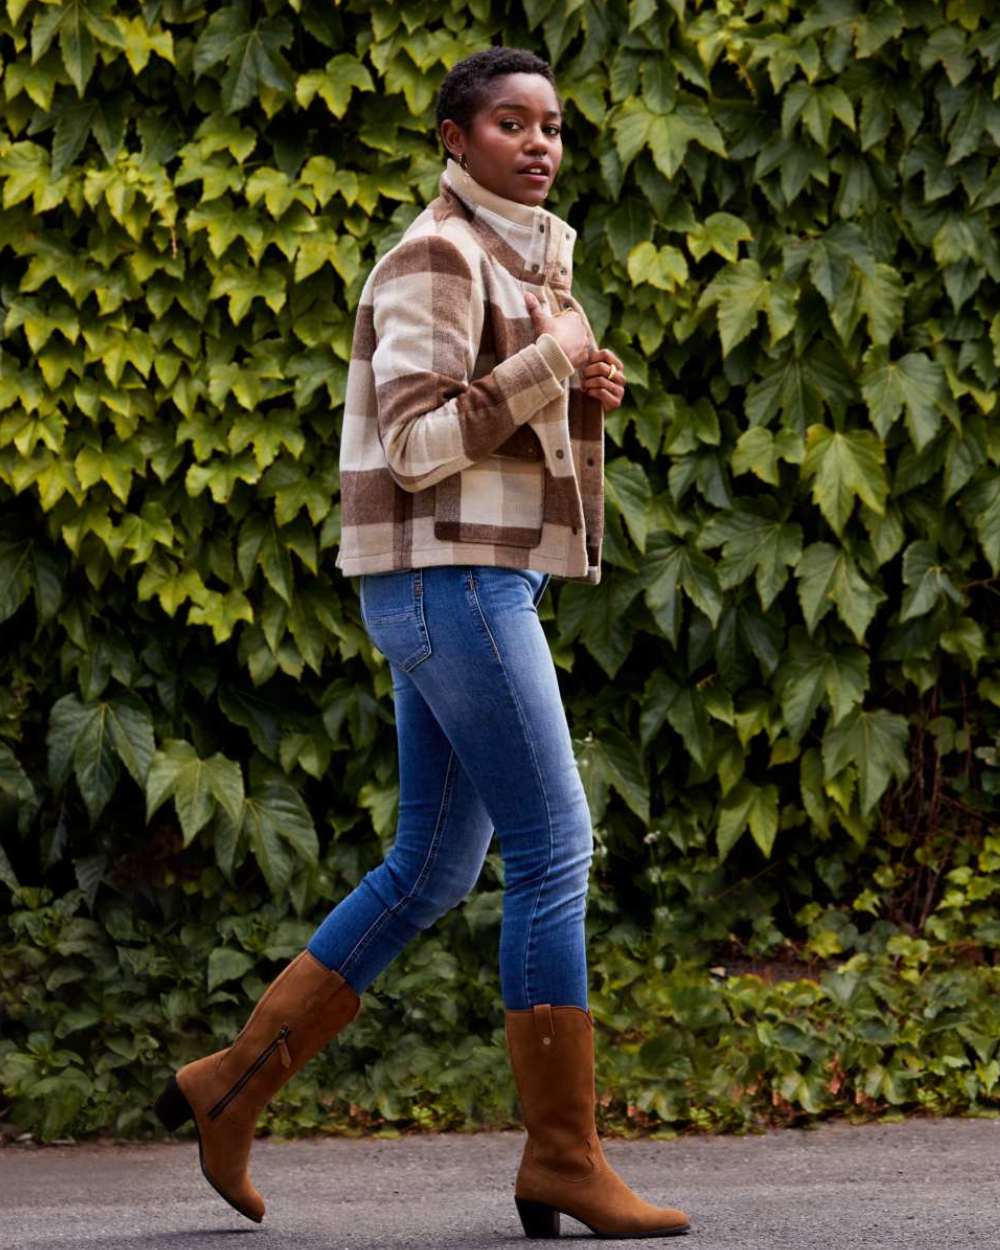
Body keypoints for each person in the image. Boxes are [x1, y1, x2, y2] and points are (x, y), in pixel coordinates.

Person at [153, 46, 690, 1240]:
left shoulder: (524, 257)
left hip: (475, 582)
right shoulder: (434, 256)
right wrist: (550, 360)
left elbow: (490, 413)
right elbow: (413, 443)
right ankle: (562, 1154)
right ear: (455, 138)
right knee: (555, 849)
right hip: (452, 584)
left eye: (552, 124)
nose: (540, 142)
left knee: (434, 866)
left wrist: (574, 387)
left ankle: (229, 1083)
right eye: (510, 123)